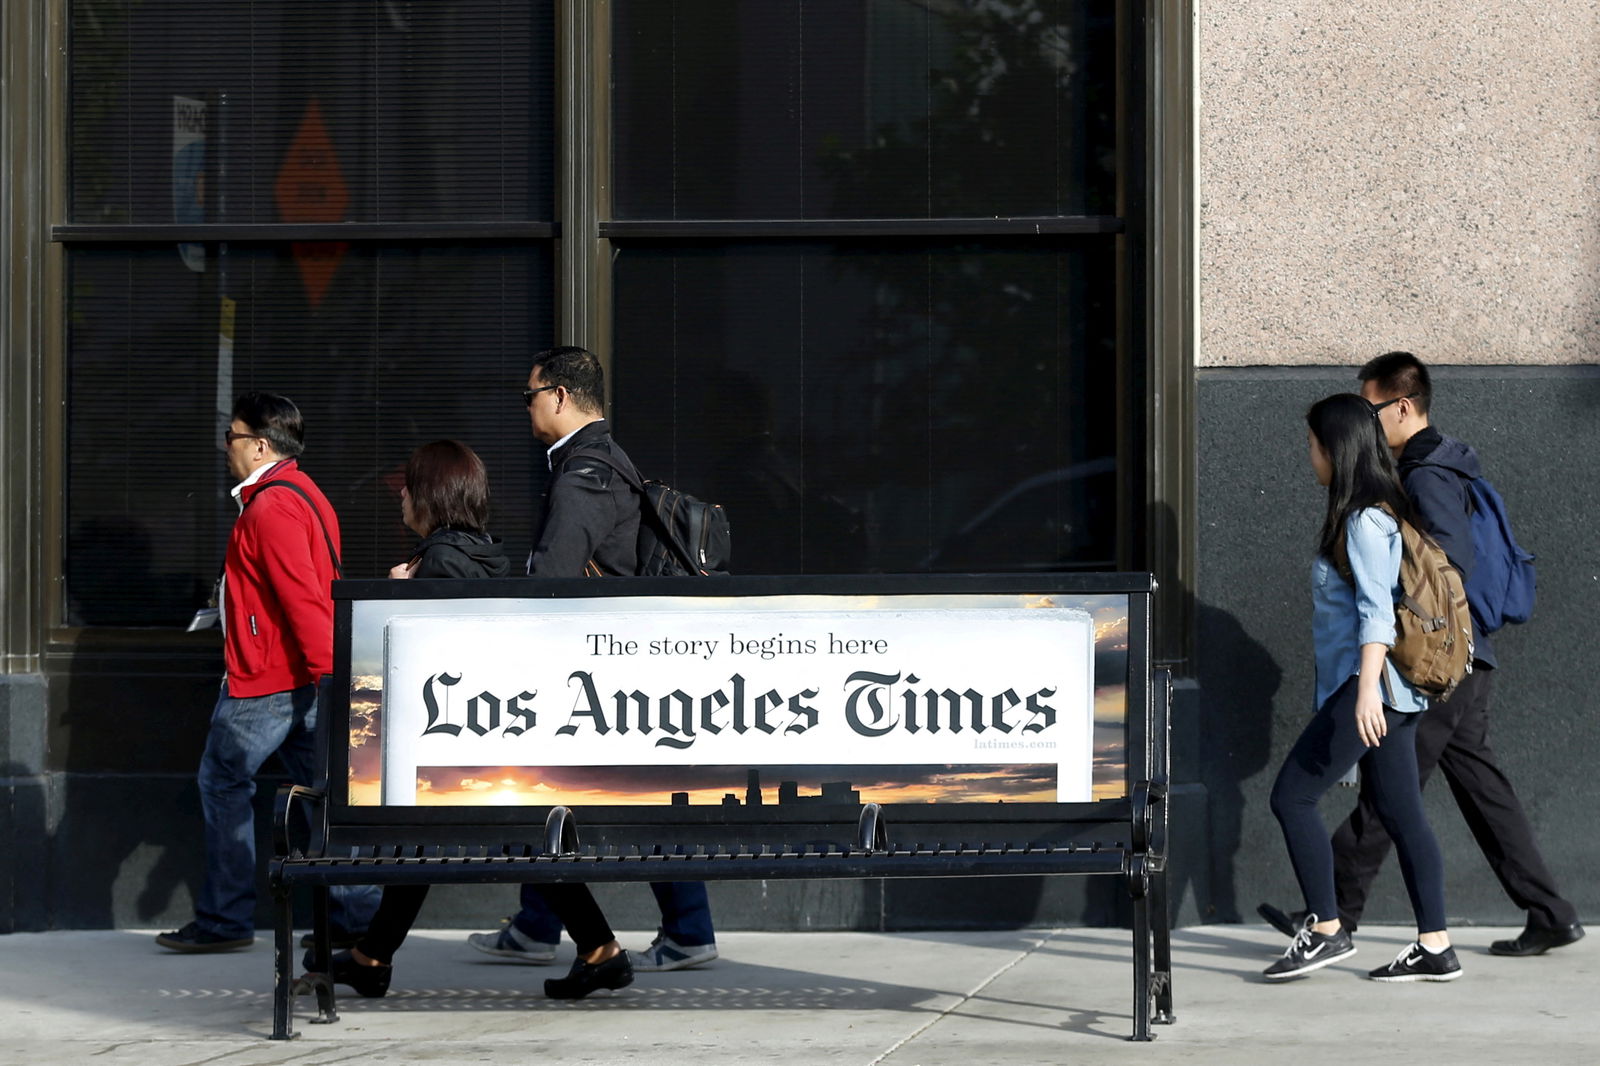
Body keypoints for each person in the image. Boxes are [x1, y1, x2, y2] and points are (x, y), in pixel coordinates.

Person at [1261, 353, 1582, 956]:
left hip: (1429, 661)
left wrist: (1400, 639)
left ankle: (1333, 915)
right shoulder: (1440, 466)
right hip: (1461, 657)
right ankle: (1547, 912)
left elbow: (1447, 569)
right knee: (1469, 788)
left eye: (1371, 407)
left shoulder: (1425, 474)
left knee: (1391, 796)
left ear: (1402, 407)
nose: (1364, 419)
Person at [466, 345, 717, 998]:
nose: (526, 409)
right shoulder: (608, 458)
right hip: (612, 662)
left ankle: (687, 930)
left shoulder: (585, 472)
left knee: (608, 794)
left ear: (557, 395)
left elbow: (553, 576)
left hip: (593, 670)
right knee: (560, 794)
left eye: (529, 396)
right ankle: (537, 922)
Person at [157, 393, 379, 952]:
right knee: (321, 797)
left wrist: (330, 680)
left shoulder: (271, 508)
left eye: (230, 437)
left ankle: (226, 919)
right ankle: (355, 924)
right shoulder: (303, 494)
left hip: (271, 679)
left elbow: (304, 601)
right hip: (299, 676)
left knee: (224, 780)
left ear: (259, 444)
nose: (224, 447)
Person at [1263, 392, 1460, 983]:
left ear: (1335, 449)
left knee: (1291, 798)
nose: (1309, 456)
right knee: (1403, 814)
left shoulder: (1365, 521)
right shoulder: (1375, 512)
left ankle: (1326, 929)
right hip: (1389, 692)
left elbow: (1378, 613)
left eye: (1312, 445)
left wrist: (1367, 690)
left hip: (1370, 689)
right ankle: (1436, 946)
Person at [307, 440, 512, 996]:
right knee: (431, 841)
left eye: (408, 486)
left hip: (448, 746)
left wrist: (399, 599)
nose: (399, 495)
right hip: (482, 744)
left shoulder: (442, 563)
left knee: (425, 834)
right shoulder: (486, 556)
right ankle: (372, 958)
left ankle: (372, 958)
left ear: (431, 496)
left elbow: (436, 661)